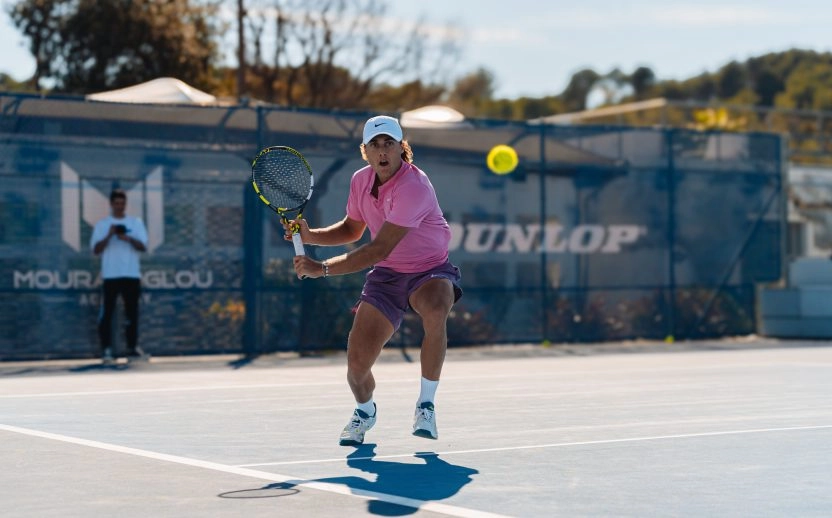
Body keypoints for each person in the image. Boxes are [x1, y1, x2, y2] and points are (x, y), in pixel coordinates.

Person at [287, 115, 462, 445]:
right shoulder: (360, 181)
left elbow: (378, 248)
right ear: (365, 151)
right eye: (375, 146)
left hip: (430, 269)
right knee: (356, 365)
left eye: (389, 144)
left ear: (401, 149)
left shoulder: (415, 186)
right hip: (387, 276)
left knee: (437, 310)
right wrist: (311, 236)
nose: (382, 152)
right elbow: (352, 230)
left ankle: (426, 405)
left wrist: (321, 269)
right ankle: (365, 411)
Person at [90, 188, 149, 364]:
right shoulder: (102, 225)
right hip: (111, 275)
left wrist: (127, 238)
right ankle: (106, 350)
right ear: (111, 204)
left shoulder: (135, 223)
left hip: (131, 275)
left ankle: (132, 349)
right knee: (107, 314)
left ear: (125, 204)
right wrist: (109, 235)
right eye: (116, 204)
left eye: (122, 204)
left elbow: (143, 247)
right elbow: (96, 249)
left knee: (132, 313)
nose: (119, 207)